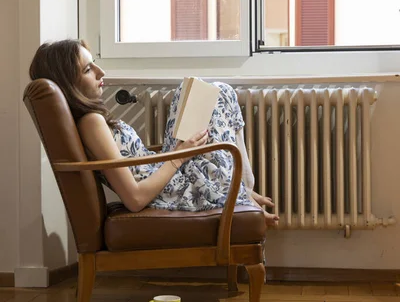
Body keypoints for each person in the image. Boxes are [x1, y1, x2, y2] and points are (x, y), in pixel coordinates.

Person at [29, 39, 279, 227]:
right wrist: (180, 155)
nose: (101, 72)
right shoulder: (91, 122)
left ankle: (241, 190)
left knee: (193, 90)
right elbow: (135, 199)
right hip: (176, 192)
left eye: (95, 63)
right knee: (221, 91)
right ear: (69, 83)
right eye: (87, 69)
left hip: (171, 177)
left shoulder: (89, 121)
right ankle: (241, 191)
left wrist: (180, 154)